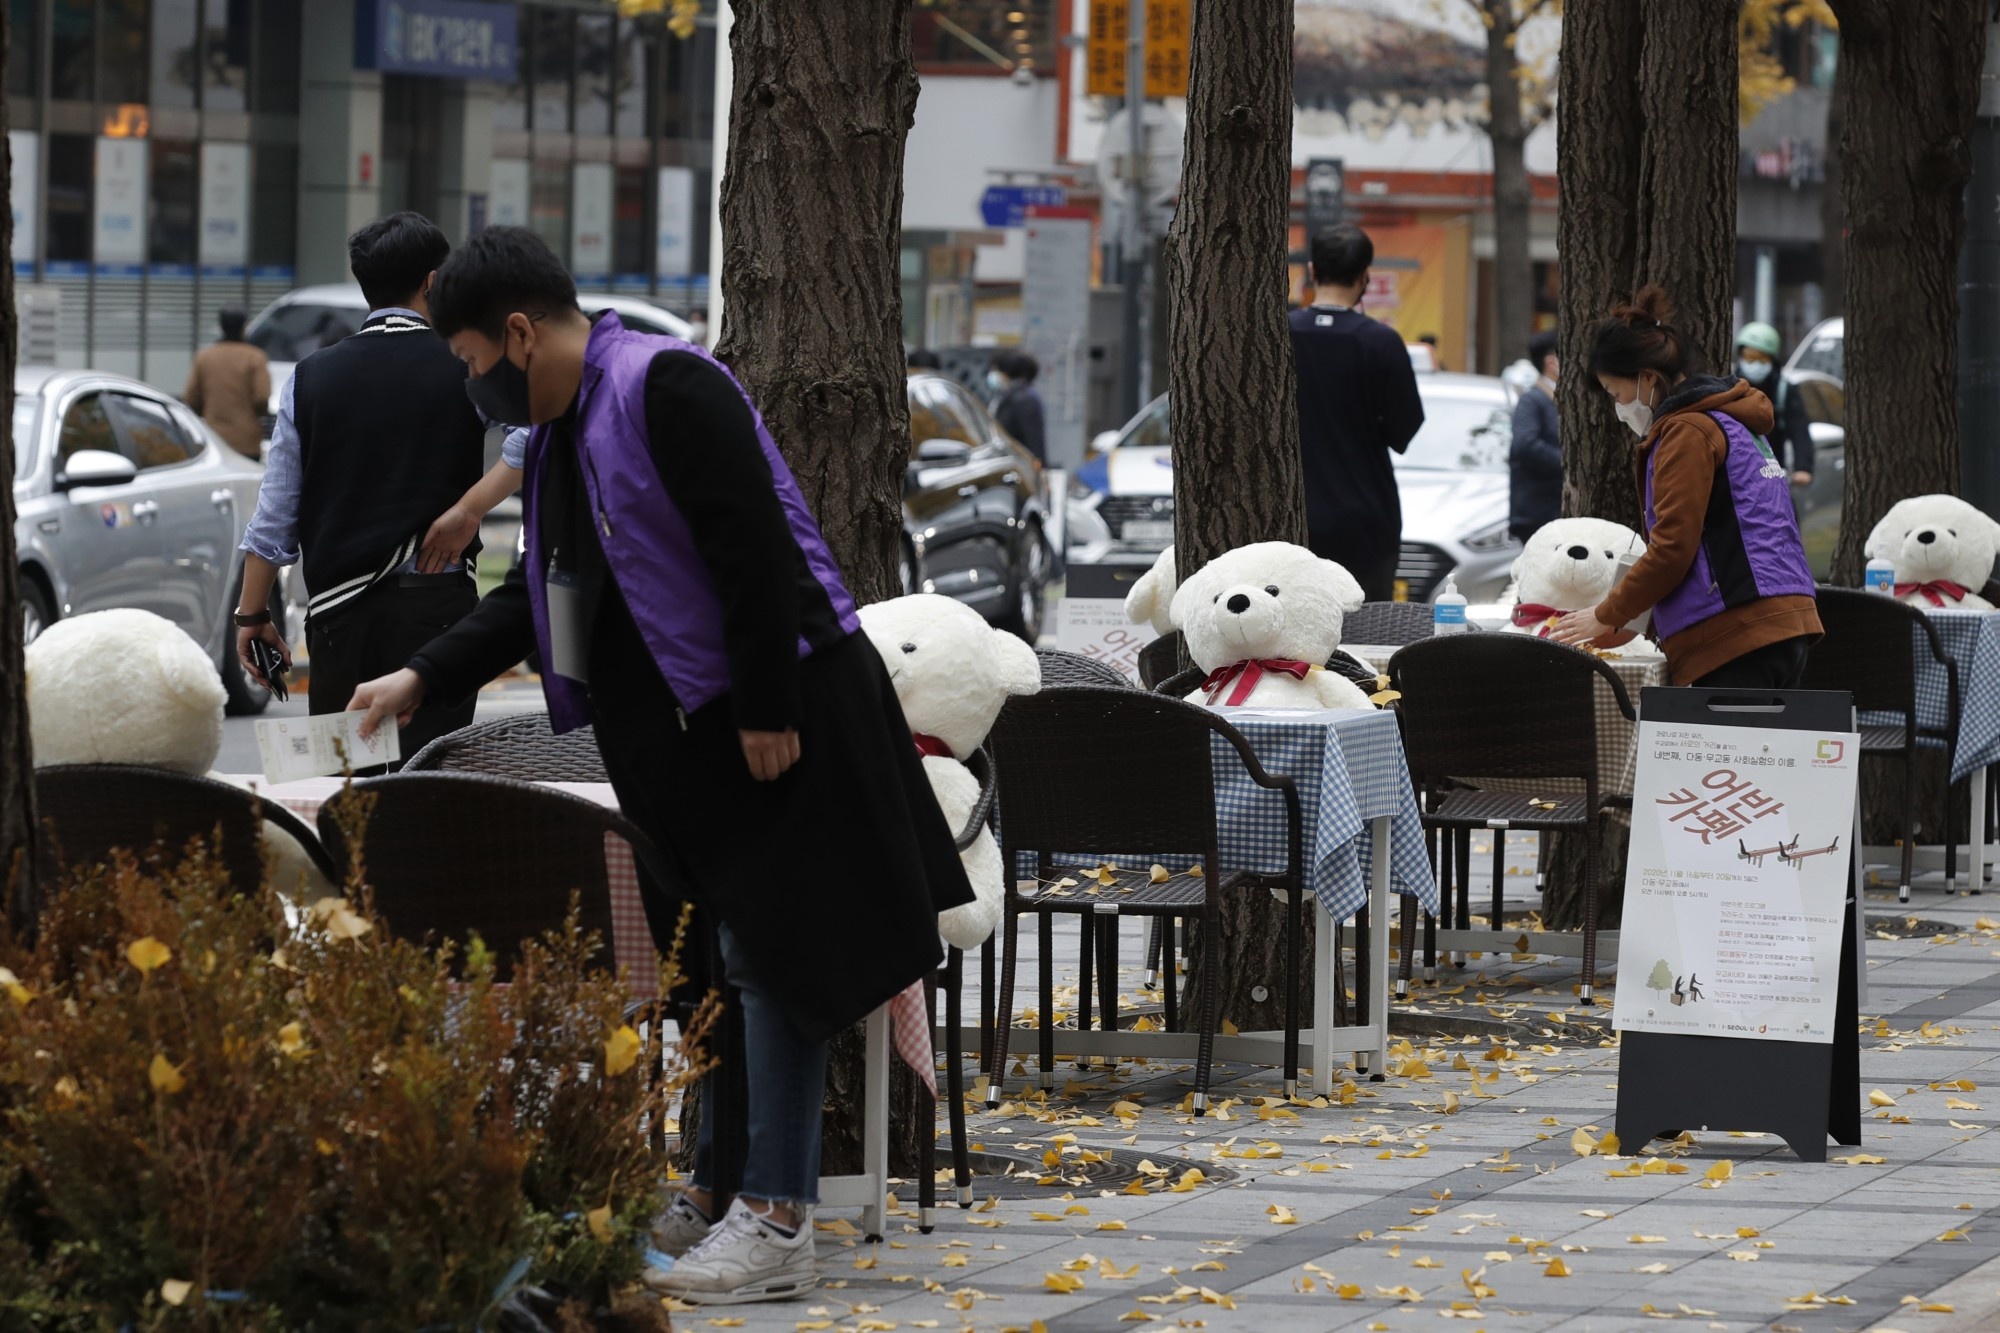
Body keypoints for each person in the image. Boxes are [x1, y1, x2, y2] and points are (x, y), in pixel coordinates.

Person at [342, 227, 971, 1304]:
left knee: (773, 961)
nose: (470, 387)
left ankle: (777, 1218)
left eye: (467, 362)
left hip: (772, 720)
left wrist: (769, 710)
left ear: (520, 333)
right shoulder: (556, 435)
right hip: (678, 748)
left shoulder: (666, 386)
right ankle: (716, 1186)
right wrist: (418, 674)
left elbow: (754, 549)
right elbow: (535, 596)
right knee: (711, 968)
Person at [233, 212, 491, 763]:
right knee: (434, 788)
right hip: (439, 614)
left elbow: (275, 516)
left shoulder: (310, 376)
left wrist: (253, 616)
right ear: (432, 281)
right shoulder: (467, 363)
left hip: (339, 620)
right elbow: (531, 442)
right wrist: (472, 509)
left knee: (348, 794)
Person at [1550, 286, 1821, 687]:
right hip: (1782, 621)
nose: (1619, 406)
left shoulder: (1687, 433)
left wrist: (1606, 613)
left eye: (1616, 393)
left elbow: (1674, 549)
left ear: (1646, 378)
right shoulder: (1732, 421)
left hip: (1739, 634)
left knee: (1725, 751)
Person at [1290, 224, 1425, 601]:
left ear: (1313, 271)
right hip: (1364, 517)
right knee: (1364, 632)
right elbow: (1404, 428)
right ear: (1366, 275)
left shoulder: (1280, 333)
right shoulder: (1380, 342)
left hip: (1287, 513)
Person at [1733, 321, 1815, 489]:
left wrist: (1803, 468)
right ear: (1740, 356)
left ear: (1772, 359)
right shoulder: (1729, 388)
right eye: (1750, 357)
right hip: (1735, 474)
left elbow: (1799, 429)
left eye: (1762, 358)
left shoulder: (1785, 390)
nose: (1755, 364)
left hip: (1773, 474)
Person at [182, 306, 271, 459]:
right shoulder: (255, 357)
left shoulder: (204, 357)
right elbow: (261, 397)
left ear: (220, 326)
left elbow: (191, 397)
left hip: (213, 437)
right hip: (246, 439)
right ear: (245, 326)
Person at [1507, 329, 1562, 542]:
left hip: (1552, 512)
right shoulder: (1532, 400)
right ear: (1551, 363)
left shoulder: (1555, 397)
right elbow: (1525, 444)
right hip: (1537, 514)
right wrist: (1566, 461)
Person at [989, 350, 1046, 463]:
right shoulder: (1009, 395)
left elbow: (1034, 438)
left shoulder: (1024, 398)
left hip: (1018, 464)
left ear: (1006, 371)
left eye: (996, 370)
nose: (993, 375)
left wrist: (1039, 465)